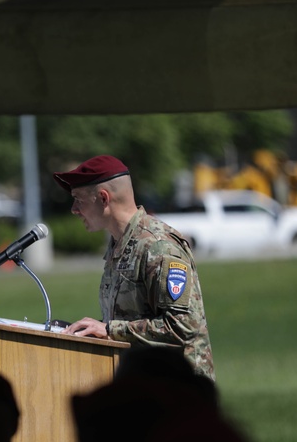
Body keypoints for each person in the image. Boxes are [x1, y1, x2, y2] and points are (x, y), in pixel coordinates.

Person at [53, 155, 214, 380]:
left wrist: (110, 330)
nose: (74, 209)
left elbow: (183, 327)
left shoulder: (157, 246)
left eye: (78, 199)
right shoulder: (119, 244)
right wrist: (85, 331)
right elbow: (134, 318)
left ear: (103, 198)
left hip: (179, 394)